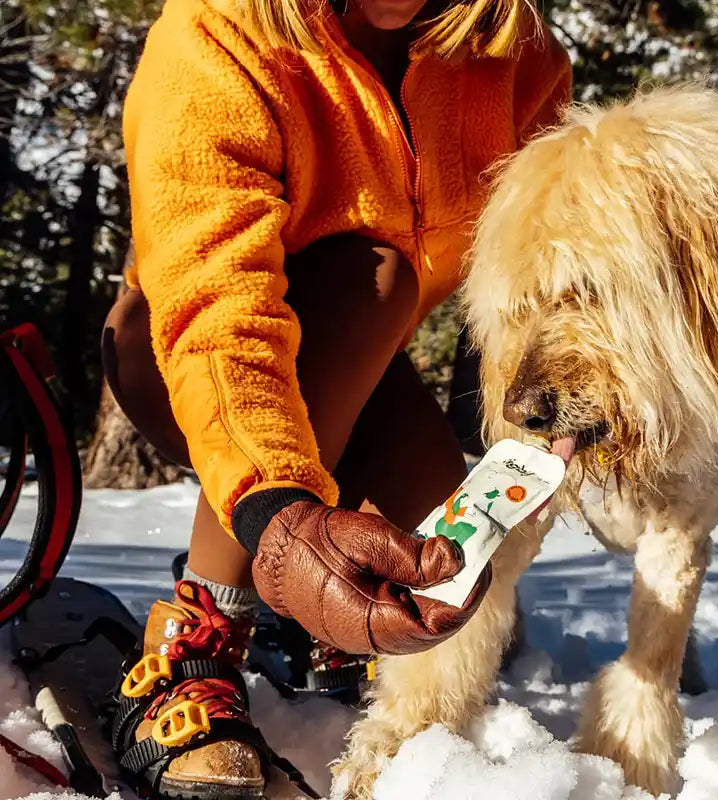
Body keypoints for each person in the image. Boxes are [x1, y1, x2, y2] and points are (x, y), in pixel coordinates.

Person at [103, 0, 572, 796]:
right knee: (376, 278)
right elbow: (218, 309)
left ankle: (314, 637)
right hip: (195, 354)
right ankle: (191, 651)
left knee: (441, 559)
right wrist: (280, 521)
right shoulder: (216, 34)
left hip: (365, 365)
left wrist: (550, 407)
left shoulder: (515, 60)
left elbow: (540, 267)